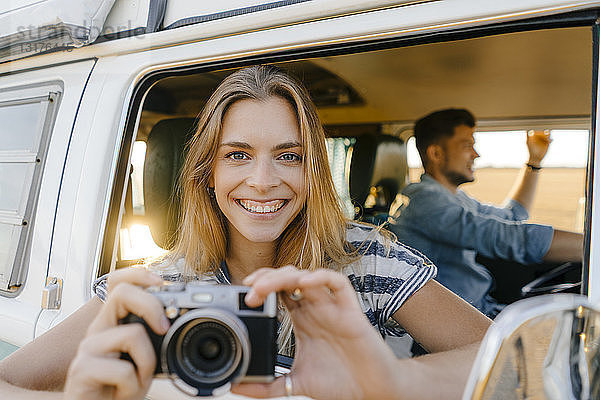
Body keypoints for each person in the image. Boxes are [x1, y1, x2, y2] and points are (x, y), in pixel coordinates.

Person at [0, 67, 490, 399]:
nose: (262, 180)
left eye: (289, 155)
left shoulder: (362, 261)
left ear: (312, 171)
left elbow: (506, 353)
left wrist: (389, 379)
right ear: (207, 173)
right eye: (237, 154)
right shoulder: (157, 287)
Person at [391, 108, 583, 318]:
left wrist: (534, 161)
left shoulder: (454, 198)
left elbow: (512, 217)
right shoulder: (423, 201)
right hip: (458, 320)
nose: (476, 154)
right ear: (436, 153)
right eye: (467, 146)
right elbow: (504, 236)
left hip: (479, 308)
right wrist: (591, 247)